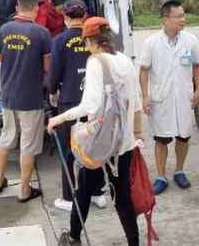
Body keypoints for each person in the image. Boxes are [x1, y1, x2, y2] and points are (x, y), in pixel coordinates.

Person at [47, 17, 143, 246]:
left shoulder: (95, 62)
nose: (86, 46)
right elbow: (136, 103)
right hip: (123, 143)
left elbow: (89, 106)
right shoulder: (124, 60)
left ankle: (73, 238)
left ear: (91, 40)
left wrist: (58, 118)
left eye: (86, 42)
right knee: (122, 198)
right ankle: (134, 243)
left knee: (83, 190)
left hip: (99, 143)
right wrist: (136, 136)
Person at [139, 0, 199, 195]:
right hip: (161, 98)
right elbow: (143, 70)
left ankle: (179, 171)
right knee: (161, 139)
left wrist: (198, 89)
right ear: (166, 19)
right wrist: (145, 96)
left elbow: (198, 65)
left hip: (184, 98)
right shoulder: (151, 43)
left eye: (184, 15)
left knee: (183, 137)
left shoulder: (190, 40)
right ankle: (160, 176)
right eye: (178, 16)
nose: (183, 19)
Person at [48, 0, 107, 212]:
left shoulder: (59, 40)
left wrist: (52, 91)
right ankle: (98, 193)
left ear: (65, 17)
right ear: (84, 17)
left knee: (68, 148)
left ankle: (68, 197)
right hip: (96, 100)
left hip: (70, 100)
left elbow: (53, 73)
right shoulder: (93, 39)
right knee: (94, 144)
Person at [0, 0, 52, 203]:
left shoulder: (4, 30)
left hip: (8, 94)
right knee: (28, 143)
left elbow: (4, 57)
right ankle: (24, 190)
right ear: (36, 8)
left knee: (6, 136)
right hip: (30, 97)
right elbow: (48, 69)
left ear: (18, 7)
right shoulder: (42, 33)